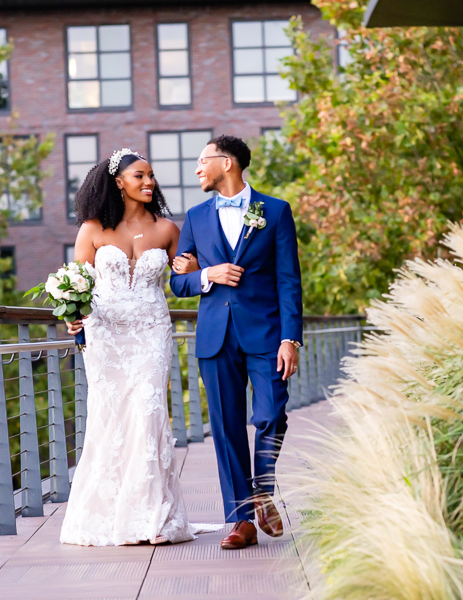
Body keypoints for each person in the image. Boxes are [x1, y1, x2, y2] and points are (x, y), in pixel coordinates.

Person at [59, 148, 218, 546]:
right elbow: (76, 285)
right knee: (110, 418)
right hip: (105, 334)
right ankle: (111, 514)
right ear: (119, 182)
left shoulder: (167, 229)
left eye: (151, 176)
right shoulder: (92, 229)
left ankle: (153, 517)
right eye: (139, 176)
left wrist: (191, 268)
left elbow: (186, 280)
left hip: (151, 331)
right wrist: (71, 316)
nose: (148, 182)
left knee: (148, 414)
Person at [170, 135, 303, 550]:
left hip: (266, 333)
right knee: (227, 429)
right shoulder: (194, 217)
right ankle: (241, 520)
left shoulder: (275, 211)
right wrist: (207, 275)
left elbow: (289, 279)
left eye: (201, 161)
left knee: (271, 414)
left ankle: (262, 487)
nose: (197, 169)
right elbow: (178, 282)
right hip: (215, 335)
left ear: (226, 163)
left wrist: (290, 338)